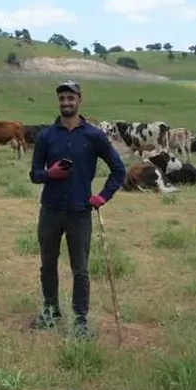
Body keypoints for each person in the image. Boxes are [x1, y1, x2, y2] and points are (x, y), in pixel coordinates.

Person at [28, 78, 126, 335]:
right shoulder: (46, 136)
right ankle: (50, 312)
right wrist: (49, 173)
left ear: (79, 101)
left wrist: (102, 196)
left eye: (71, 97)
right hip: (50, 210)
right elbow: (34, 174)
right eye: (62, 98)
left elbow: (118, 169)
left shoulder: (94, 136)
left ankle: (80, 319)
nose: (66, 102)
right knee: (47, 264)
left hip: (80, 212)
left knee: (80, 268)